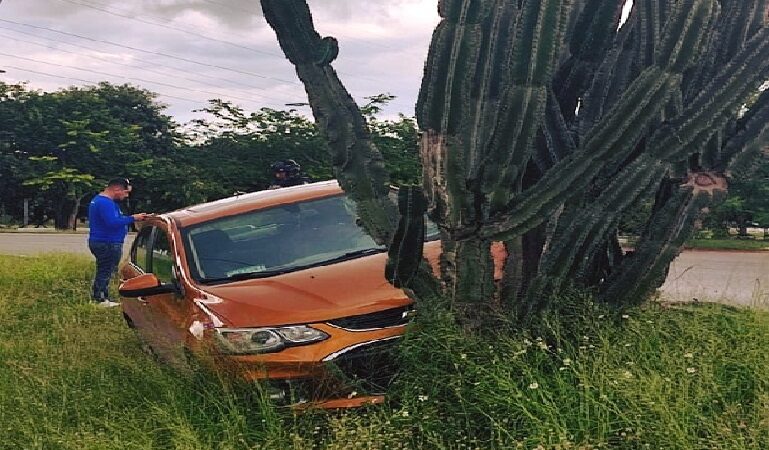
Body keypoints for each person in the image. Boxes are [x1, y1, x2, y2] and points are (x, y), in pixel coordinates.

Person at [87, 178, 149, 307]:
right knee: (106, 270)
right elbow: (112, 222)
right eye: (125, 192)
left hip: (104, 241)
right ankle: (100, 299)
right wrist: (133, 218)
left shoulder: (102, 201)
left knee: (104, 269)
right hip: (107, 242)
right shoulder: (105, 203)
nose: (126, 196)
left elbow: (116, 219)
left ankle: (101, 296)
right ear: (117, 189)